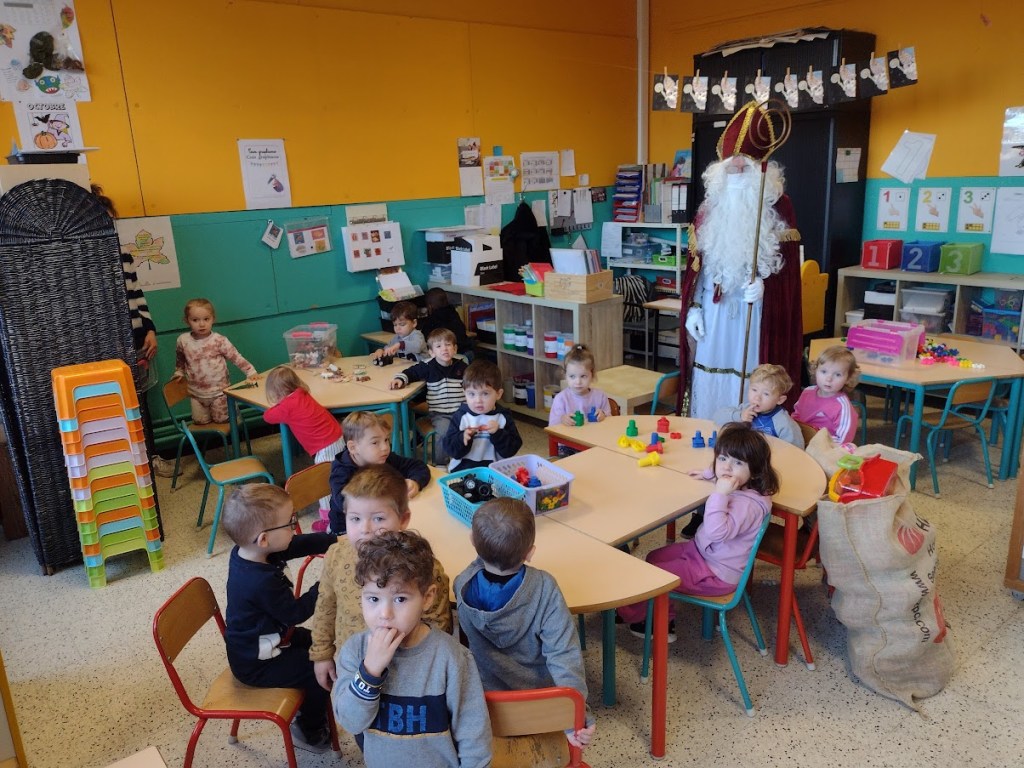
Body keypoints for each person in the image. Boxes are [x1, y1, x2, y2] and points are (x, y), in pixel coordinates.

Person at [679, 99, 803, 420]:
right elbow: (698, 270)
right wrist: (694, 308)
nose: (735, 172)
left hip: (755, 316)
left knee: (750, 380)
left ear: (761, 170)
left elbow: (788, 280)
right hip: (713, 314)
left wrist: (767, 290)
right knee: (709, 375)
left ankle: (747, 438)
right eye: (730, 167)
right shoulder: (709, 210)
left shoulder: (779, 208)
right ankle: (707, 430)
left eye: (743, 167)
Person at [333, 530, 491, 768]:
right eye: (373, 599)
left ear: (427, 598)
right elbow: (351, 722)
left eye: (400, 599)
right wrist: (369, 672)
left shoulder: (453, 658)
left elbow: (474, 736)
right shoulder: (355, 651)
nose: (385, 614)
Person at [454, 497, 596, 750]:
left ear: (471, 541)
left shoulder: (461, 584)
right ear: (530, 552)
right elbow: (564, 655)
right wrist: (576, 716)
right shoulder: (544, 588)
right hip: (541, 704)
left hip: (488, 707)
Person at [617, 423, 778, 639]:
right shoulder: (746, 483)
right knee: (654, 557)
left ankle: (655, 623)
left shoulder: (747, 506)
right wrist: (709, 473)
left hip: (715, 572)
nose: (727, 468)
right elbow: (725, 468)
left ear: (756, 469)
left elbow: (716, 532)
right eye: (722, 458)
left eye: (738, 462)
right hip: (704, 554)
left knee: (655, 576)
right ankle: (645, 608)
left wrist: (719, 494)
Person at [309, 465, 451, 693]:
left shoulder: (424, 566)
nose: (365, 529)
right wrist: (322, 653)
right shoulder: (336, 556)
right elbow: (325, 606)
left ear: (403, 519)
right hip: (352, 667)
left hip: (407, 674)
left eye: (378, 518)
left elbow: (438, 624)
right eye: (355, 518)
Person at [222, 484, 337, 752]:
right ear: (264, 539)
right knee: (316, 667)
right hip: (257, 662)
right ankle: (309, 730)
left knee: (321, 644)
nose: (294, 528)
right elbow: (296, 613)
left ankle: (313, 706)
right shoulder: (258, 581)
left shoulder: (253, 552)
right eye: (290, 523)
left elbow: (294, 544)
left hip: (269, 641)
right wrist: (327, 582)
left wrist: (333, 540)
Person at [91, 184, 175, 478]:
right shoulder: (82, 258)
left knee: (141, 404)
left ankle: (151, 458)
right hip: (105, 345)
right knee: (112, 405)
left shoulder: (123, 252)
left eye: (110, 220)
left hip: (136, 340)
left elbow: (136, 294)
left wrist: (150, 329)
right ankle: (123, 466)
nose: (108, 226)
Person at [263, 365, 344, 532]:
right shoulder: (302, 393)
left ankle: (328, 520)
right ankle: (340, 510)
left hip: (325, 445)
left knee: (323, 483)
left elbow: (268, 417)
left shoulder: (286, 406)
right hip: (336, 436)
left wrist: (277, 405)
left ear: (277, 392)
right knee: (337, 475)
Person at [327, 411, 430, 535]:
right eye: (375, 442)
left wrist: (415, 482)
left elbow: (417, 466)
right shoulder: (341, 473)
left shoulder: (382, 458)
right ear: (353, 448)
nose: (385, 447)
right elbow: (346, 504)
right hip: (347, 531)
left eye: (386, 439)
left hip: (379, 523)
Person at [172, 298, 258, 424]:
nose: (201, 324)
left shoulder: (219, 340)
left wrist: (250, 371)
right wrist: (179, 372)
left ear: (213, 318)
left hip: (219, 393)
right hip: (196, 394)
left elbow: (236, 357)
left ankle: (234, 411)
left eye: (206, 319)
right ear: (187, 321)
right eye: (195, 320)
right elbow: (180, 359)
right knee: (200, 422)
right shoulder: (183, 340)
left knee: (222, 420)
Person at [389, 328, 467, 465]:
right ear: (431, 352)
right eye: (439, 346)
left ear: (455, 349)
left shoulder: (462, 366)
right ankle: (441, 463)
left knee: (471, 430)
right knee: (444, 433)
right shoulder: (427, 366)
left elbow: (474, 382)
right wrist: (400, 379)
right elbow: (411, 372)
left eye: (448, 345)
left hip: (461, 411)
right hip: (440, 413)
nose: (444, 349)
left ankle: (465, 459)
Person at [442, 358, 523, 471]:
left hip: (495, 471)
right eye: (471, 394)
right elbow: (450, 450)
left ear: (498, 394)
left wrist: (498, 433)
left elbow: (511, 451)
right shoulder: (461, 417)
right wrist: (462, 438)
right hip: (463, 470)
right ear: (464, 393)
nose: (478, 400)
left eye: (485, 394)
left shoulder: (503, 417)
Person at [713, 363, 804, 449]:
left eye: (766, 394)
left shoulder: (784, 423)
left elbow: (796, 452)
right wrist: (740, 416)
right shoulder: (745, 409)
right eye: (754, 390)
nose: (757, 397)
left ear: (780, 400)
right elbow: (717, 418)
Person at [792, 345, 860, 449]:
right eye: (824, 372)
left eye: (837, 374)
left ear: (848, 378)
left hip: (825, 447)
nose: (829, 379)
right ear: (815, 370)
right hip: (801, 440)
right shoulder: (807, 392)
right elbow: (796, 415)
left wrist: (816, 443)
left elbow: (842, 440)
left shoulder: (843, 407)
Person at [548, 344, 611, 428]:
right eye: (572, 376)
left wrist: (603, 415)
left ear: (592, 374)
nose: (578, 382)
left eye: (583, 376)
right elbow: (552, 428)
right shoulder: (561, 399)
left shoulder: (600, 396)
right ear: (565, 375)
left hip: (594, 436)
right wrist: (562, 419)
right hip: (569, 436)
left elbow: (610, 422)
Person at [418, 287, 472, 354]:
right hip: (466, 350)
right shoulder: (453, 312)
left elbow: (425, 338)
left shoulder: (432, 319)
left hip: (454, 353)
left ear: (430, 306)